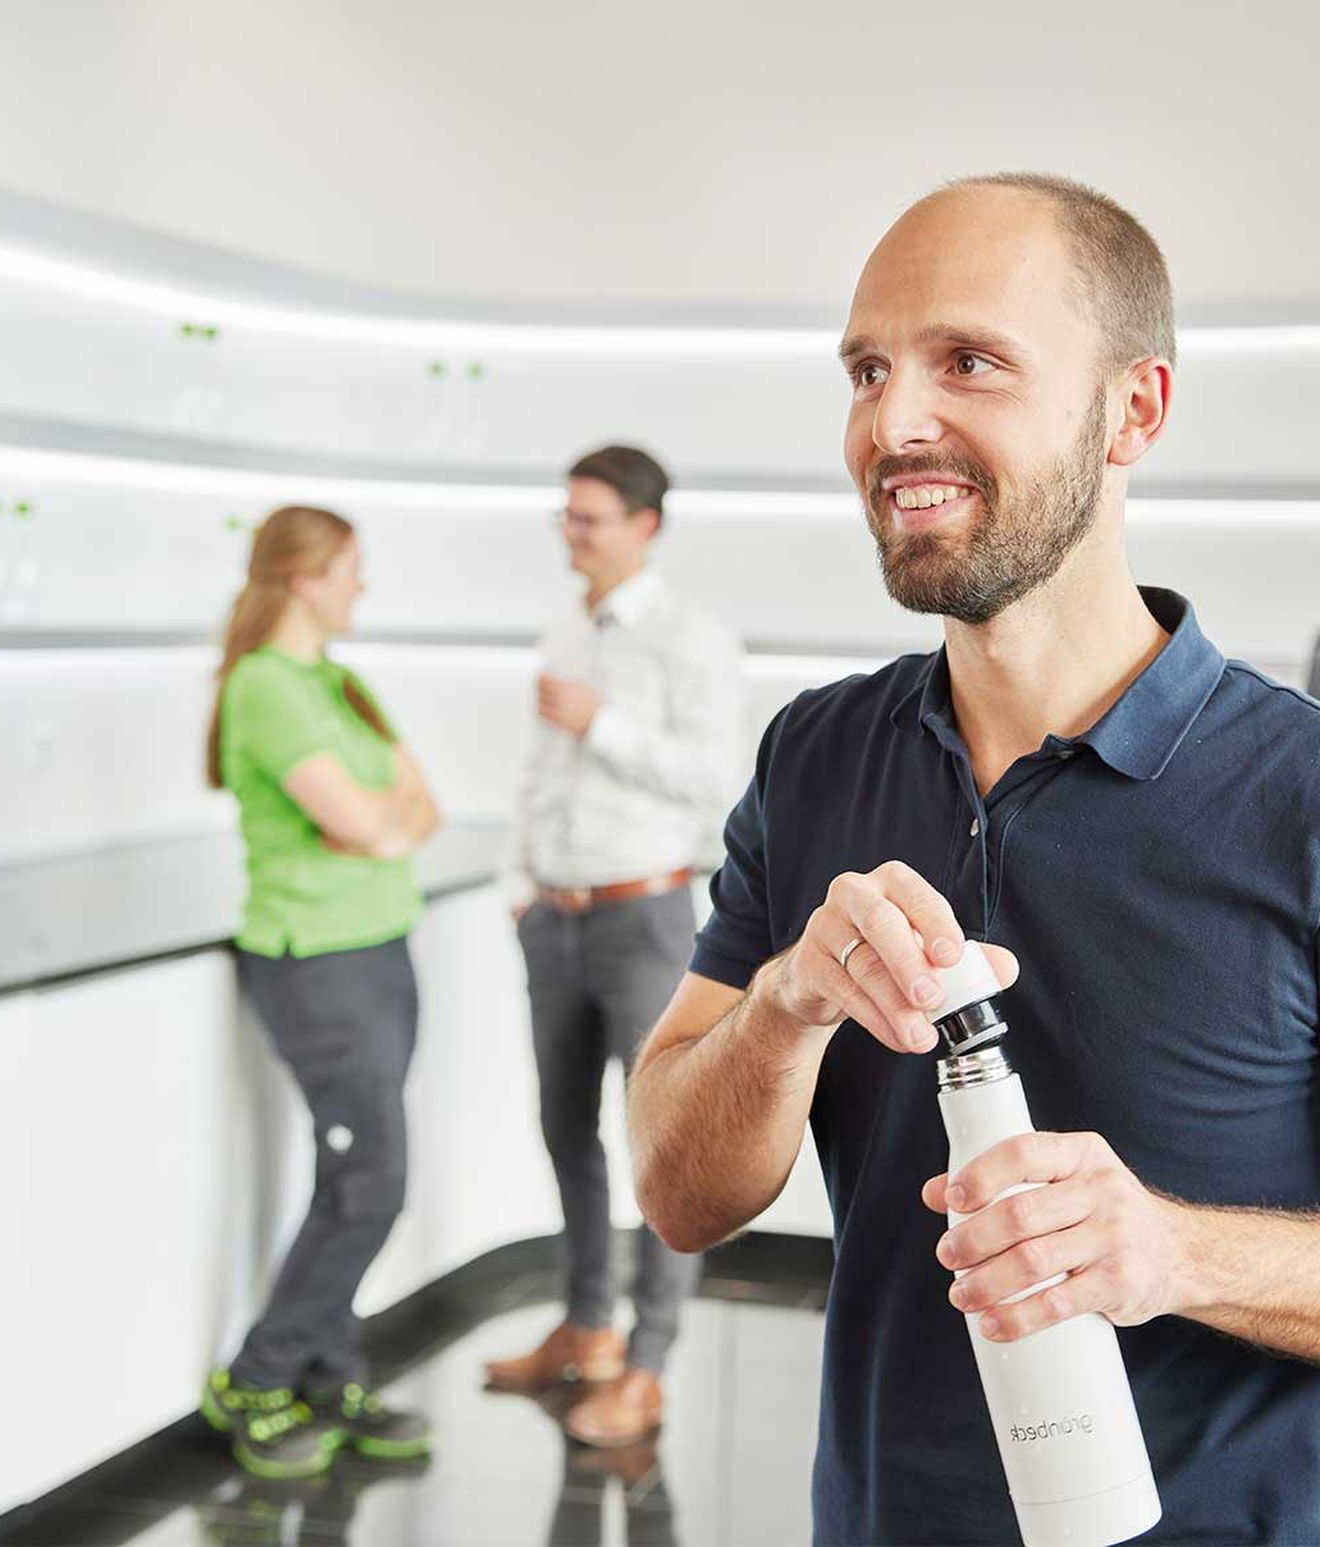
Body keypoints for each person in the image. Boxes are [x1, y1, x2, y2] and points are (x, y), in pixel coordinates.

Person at [627, 174, 1320, 1544]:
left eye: (970, 362)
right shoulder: (814, 753)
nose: (894, 423)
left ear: (1134, 410)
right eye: (868, 370)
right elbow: (677, 1194)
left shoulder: (1296, 790)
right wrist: (783, 1008)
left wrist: (1177, 1249)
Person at [484, 445, 744, 1447]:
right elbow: (537, 772)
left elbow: (717, 779)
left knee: (663, 1145)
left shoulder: (693, 636)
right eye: (566, 515)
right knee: (564, 1128)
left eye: (589, 518)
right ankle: (587, 1326)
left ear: (647, 525)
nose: (572, 535)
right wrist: (519, 889)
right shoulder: (567, 626)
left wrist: (605, 725)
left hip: (644, 918)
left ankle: (647, 1365)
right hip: (553, 917)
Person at [199, 505, 441, 1479]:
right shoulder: (262, 685)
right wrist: (379, 821)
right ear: (302, 578)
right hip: (315, 959)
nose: (360, 586)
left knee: (354, 1177)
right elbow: (372, 820)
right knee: (373, 1179)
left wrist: (379, 823)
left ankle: (328, 1372)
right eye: (348, 568)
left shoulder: (340, 683)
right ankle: (256, 1377)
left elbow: (416, 811)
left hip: (382, 945)